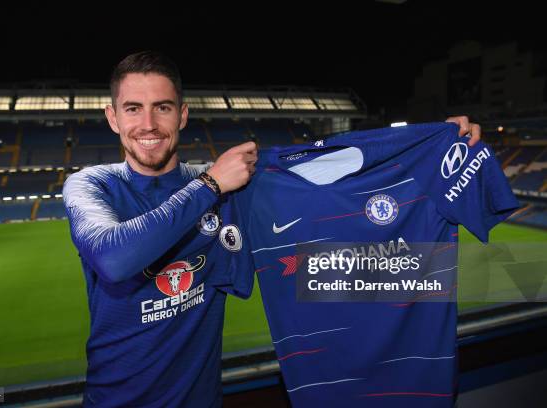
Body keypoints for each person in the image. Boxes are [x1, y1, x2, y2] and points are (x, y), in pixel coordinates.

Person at [62, 50, 482, 407]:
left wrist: (431, 145)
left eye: (163, 107)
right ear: (112, 117)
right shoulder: (92, 184)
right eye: (133, 108)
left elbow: (329, 178)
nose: (148, 124)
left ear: (183, 114)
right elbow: (114, 258)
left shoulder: (234, 193)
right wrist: (209, 185)